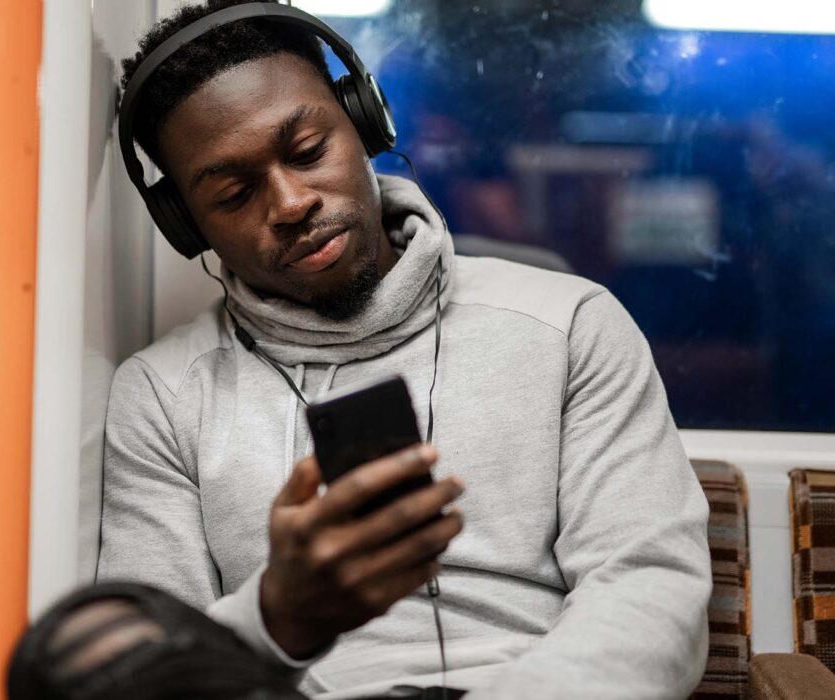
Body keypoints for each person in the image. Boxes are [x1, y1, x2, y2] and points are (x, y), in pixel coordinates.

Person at [98, 1, 712, 697]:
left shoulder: (569, 323)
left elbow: (650, 592)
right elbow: (148, 675)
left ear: (365, 123)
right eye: (235, 194)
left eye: (307, 152)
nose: (291, 202)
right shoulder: (163, 395)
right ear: (186, 225)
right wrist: (277, 617)